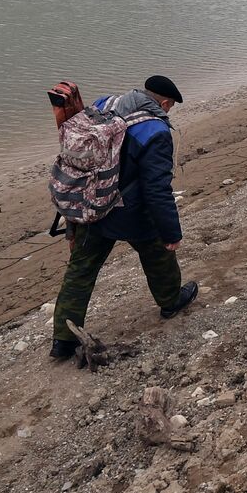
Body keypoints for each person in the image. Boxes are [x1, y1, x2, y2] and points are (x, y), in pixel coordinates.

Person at [51, 75, 198, 359]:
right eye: (169, 107)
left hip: (91, 207)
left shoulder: (104, 104)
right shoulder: (156, 130)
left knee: (79, 272)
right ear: (165, 103)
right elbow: (157, 189)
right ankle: (170, 302)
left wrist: (72, 222)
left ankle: (63, 340)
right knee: (159, 256)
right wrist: (172, 233)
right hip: (132, 212)